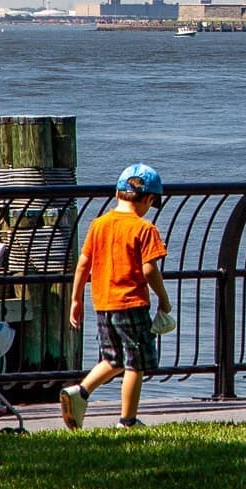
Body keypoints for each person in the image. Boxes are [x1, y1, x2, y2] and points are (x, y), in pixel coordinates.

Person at [61, 163, 173, 430]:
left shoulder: (99, 224)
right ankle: (128, 420)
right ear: (149, 199)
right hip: (131, 303)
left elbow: (83, 264)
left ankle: (80, 392)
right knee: (136, 364)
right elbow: (149, 270)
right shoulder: (144, 229)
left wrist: (76, 300)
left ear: (117, 193)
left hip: (103, 302)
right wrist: (164, 300)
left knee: (113, 360)